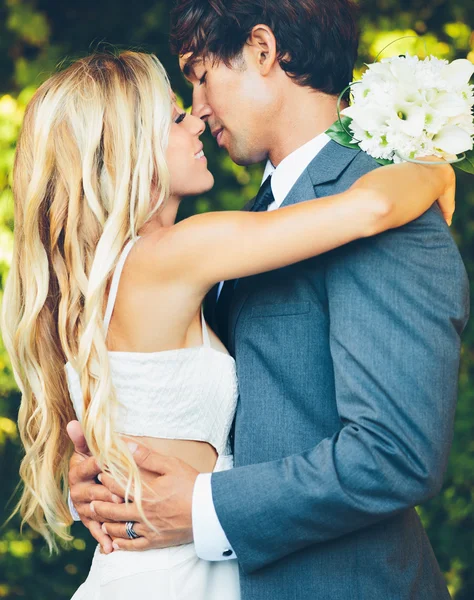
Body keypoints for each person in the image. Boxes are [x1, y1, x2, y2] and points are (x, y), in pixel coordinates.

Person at [67, 1, 470, 599]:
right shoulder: (246, 230)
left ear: (261, 49)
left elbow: (396, 454)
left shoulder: (386, 206)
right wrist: (110, 482)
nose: (198, 110)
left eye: (201, 76)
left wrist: (201, 507)